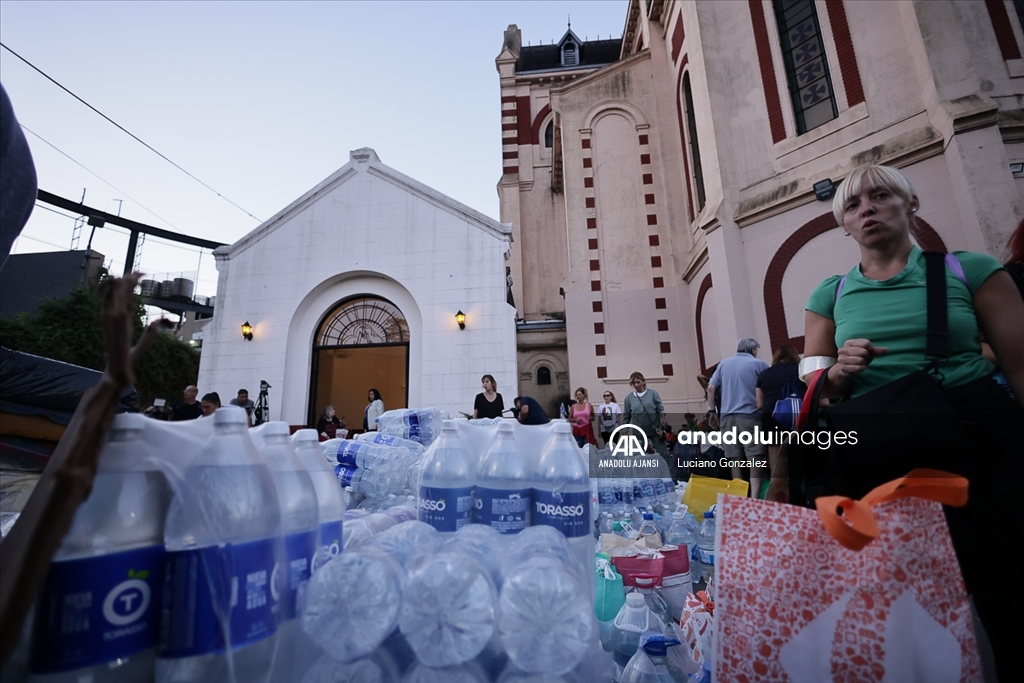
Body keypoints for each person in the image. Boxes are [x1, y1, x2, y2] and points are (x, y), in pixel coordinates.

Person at [803, 163, 1024, 681]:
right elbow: (813, 388)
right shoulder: (829, 295)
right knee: (906, 589)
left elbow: (1018, 365)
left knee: (1007, 577)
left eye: (881, 196)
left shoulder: (971, 269)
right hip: (884, 453)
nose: (868, 209)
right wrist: (837, 371)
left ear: (910, 205)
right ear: (844, 225)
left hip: (979, 439)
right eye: (853, 205)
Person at [708, 339, 769, 495]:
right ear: (753, 350)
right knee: (754, 457)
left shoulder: (723, 364)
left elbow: (711, 388)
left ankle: (739, 495)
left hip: (727, 417)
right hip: (750, 416)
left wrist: (712, 412)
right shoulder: (759, 364)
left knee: (734, 458)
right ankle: (754, 497)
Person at [755, 345, 805, 503]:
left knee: (776, 467)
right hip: (799, 419)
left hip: (772, 420)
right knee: (801, 460)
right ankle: (801, 499)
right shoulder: (802, 370)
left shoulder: (765, 374)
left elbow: (759, 404)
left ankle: (777, 503)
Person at [622, 371, 669, 457]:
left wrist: (663, 417)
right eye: (634, 383)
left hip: (655, 429)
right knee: (639, 455)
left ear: (643, 382)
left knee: (664, 454)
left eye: (638, 382)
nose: (636, 385)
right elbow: (627, 415)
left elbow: (659, 407)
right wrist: (625, 428)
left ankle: (669, 470)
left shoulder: (653, 393)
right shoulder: (629, 398)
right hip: (639, 431)